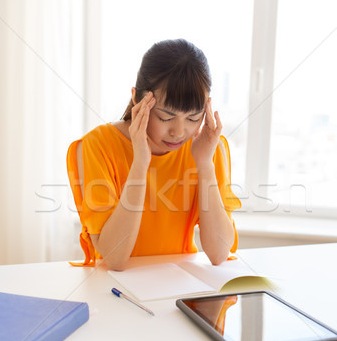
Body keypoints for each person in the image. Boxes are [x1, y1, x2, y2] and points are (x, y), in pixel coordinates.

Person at [67, 39, 241, 271]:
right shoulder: (97, 146)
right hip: (113, 291)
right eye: (166, 117)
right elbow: (115, 258)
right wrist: (140, 162)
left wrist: (205, 164)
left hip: (178, 287)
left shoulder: (208, 147)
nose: (179, 132)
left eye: (192, 118)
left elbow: (219, 253)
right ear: (137, 99)